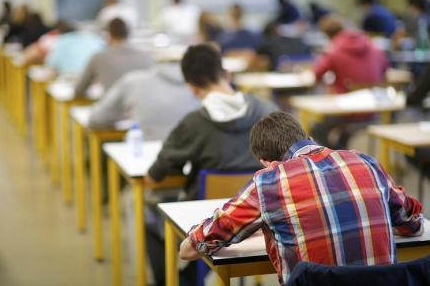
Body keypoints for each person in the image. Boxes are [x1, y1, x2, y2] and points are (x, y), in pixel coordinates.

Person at [179, 111, 423, 285]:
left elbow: (194, 247)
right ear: (306, 136)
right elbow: (412, 222)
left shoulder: (268, 182)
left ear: (266, 163)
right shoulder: (367, 162)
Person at [144, 44, 277, 285]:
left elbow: (155, 175)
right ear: (226, 74)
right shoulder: (268, 112)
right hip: (262, 217)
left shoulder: (193, 123)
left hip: (210, 221)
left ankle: (177, 280)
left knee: (151, 217)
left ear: (192, 88)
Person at [88, 62, 200, 140]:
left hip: (143, 161)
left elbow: (96, 119)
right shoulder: (203, 85)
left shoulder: (133, 80)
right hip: (193, 163)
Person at [73, 18, 153, 97]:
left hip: (113, 108)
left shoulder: (99, 58)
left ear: (108, 35)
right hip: (142, 108)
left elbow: (79, 90)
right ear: (128, 34)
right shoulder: (146, 57)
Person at [314, 14, 389, 94]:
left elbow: (318, 74)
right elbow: (385, 68)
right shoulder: (372, 44)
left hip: (345, 97)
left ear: (328, 35)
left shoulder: (333, 50)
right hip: (374, 96)